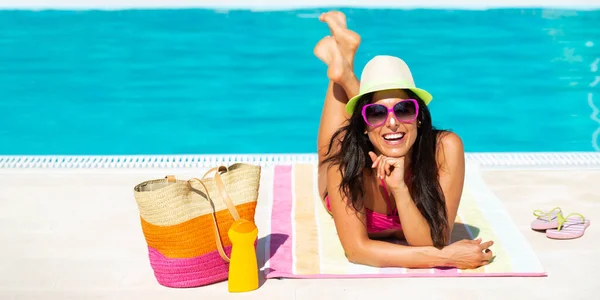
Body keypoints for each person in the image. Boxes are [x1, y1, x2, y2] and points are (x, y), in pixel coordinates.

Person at [314, 11, 494, 269]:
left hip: (389, 149)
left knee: (386, 125)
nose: (392, 121)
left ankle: (344, 65)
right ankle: (343, 70)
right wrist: (448, 257)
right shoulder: (344, 162)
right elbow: (357, 251)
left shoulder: (445, 148)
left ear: (420, 116)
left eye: (404, 109)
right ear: (363, 126)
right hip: (350, 154)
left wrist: (400, 189)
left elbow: (435, 238)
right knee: (327, 154)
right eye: (375, 113)